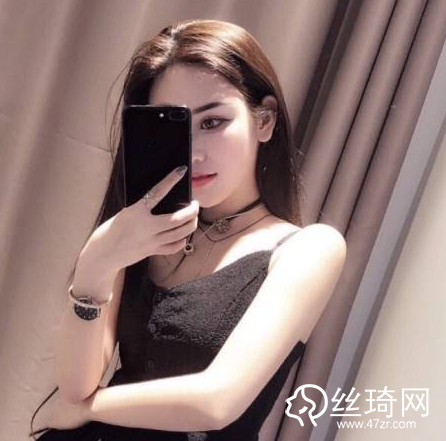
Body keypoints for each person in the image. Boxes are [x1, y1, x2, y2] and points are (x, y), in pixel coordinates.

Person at [29, 18, 346, 441]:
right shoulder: (141, 232)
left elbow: (216, 402)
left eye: (212, 123)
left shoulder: (308, 249)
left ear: (265, 121)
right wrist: (96, 263)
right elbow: (76, 384)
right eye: (174, 128)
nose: (193, 152)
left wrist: (85, 409)